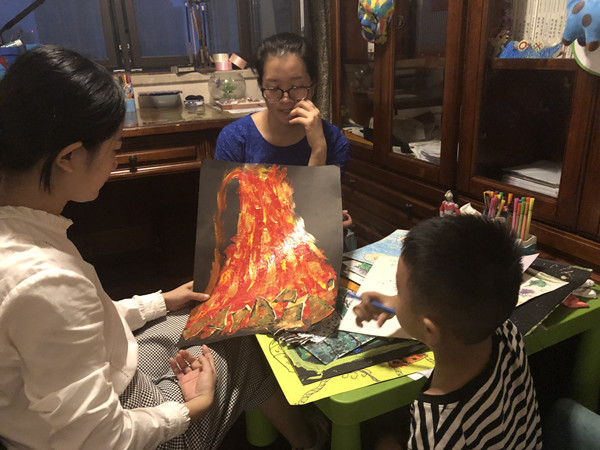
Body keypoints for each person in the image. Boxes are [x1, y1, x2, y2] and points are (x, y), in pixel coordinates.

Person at [0, 45, 321, 450]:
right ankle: (307, 439)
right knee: (242, 337)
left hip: (104, 374)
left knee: (209, 311)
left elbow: (79, 325)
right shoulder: (45, 280)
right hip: (112, 427)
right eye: (115, 148)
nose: (115, 162)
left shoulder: (24, 234)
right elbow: (99, 438)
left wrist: (161, 301)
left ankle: (297, 435)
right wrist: (191, 409)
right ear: (69, 157)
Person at [354, 215, 543, 449]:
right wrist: (399, 302)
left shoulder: (438, 426)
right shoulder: (505, 331)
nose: (396, 296)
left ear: (430, 330)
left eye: (399, 291)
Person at [215, 31, 352, 229]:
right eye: (273, 88)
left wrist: (318, 150)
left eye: (297, 87)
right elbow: (228, 220)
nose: (286, 99)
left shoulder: (333, 141)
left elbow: (313, 216)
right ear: (261, 87)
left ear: (313, 86)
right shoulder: (234, 139)